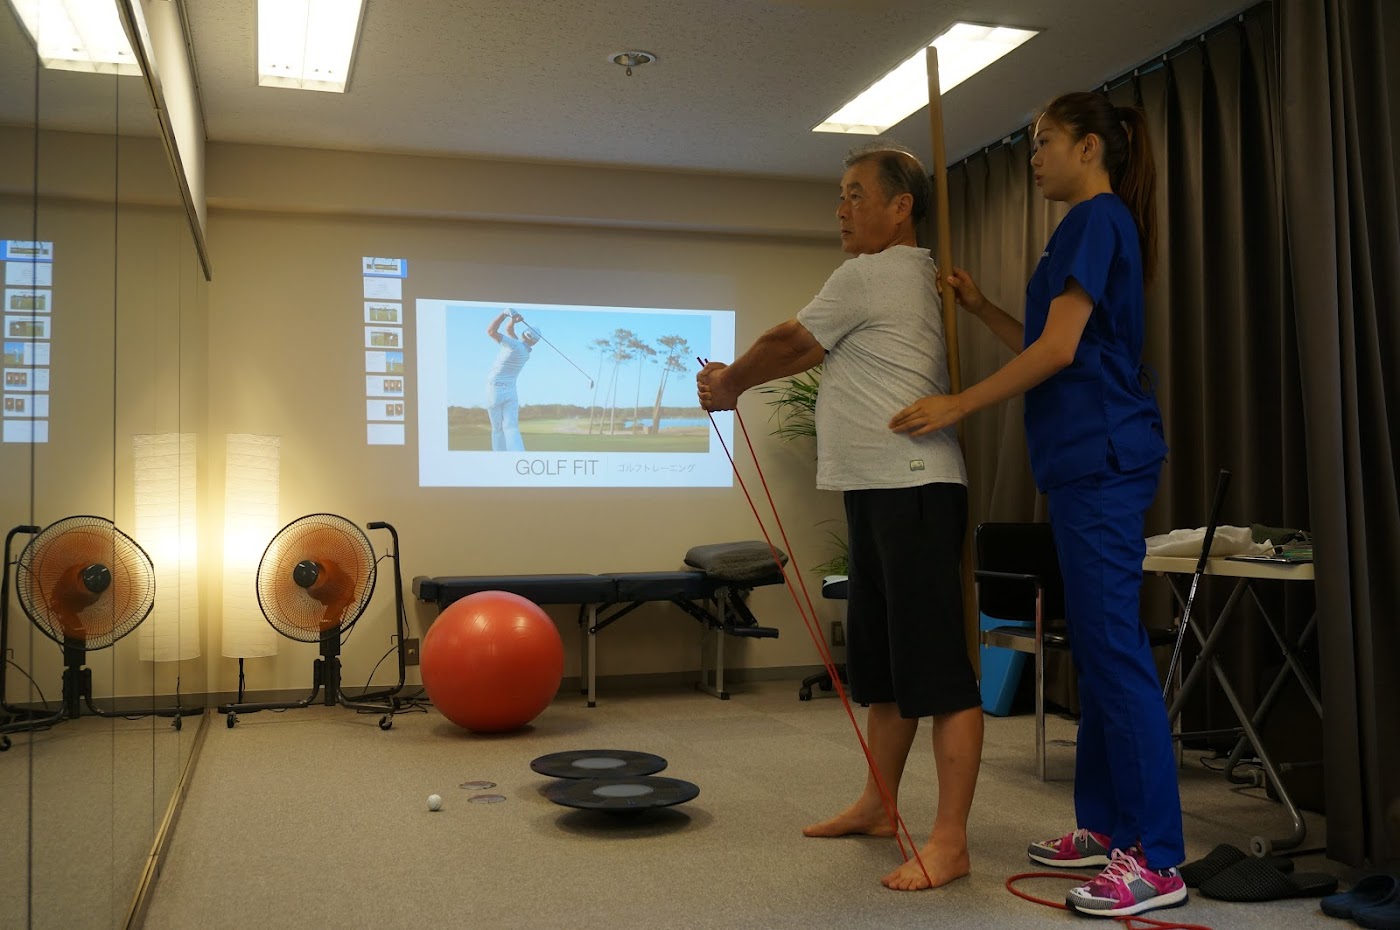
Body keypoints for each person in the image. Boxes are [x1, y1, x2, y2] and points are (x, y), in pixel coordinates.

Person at [888, 91, 1183, 918]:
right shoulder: (1084, 227)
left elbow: (1058, 353)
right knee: (1093, 649)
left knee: (1114, 655)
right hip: (1084, 464)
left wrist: (958, 404)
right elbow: (1056, 339)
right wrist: (981, 307)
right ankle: (1106, 827)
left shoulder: (1098, 218)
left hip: (1104, 459)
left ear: (1091, 148)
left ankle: (1157, 856)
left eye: (1045, 141)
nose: (1034, 156)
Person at [697, 139, 983, 892]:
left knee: (940, 675)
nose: (841, 209)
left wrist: (730, 383)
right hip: (881, 490)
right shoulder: (895, 278)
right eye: (841, 194)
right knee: (886, 670)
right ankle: (878, 804)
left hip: (913, 488)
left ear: (901, 207)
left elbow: (788, 340)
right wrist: (742, 385)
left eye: (857, 194)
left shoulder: (875, 272)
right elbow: (804, 356)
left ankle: (949, 841)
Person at [484, 310, 539, 451]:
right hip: (511, 391)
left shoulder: (514, 345)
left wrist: (504, 314)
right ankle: (518, 457)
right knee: (511, 427)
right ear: (535, 342)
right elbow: (509, 330)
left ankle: (499, 458)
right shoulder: (525, 351)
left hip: (494, 389)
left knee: (497, 429)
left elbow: (490, 331)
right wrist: (513, 321)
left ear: (524, 335)